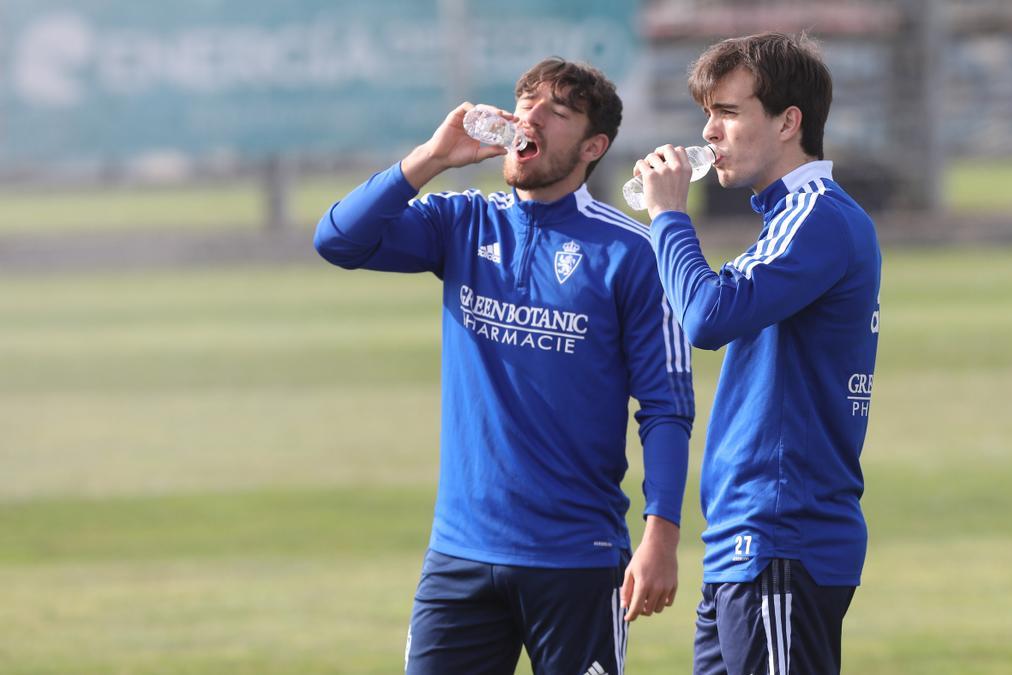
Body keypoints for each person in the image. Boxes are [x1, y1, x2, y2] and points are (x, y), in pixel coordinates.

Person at [314, 58, 694, 675]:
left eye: (557, 111)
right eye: (525, 101)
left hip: (577, 559)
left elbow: (667, 407)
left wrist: (663, 535)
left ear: (593, 146)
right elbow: (338, 241)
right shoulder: (463, 221)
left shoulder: (634, 253)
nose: (530, 116)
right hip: (459, 556)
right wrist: (430, 159)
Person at [635, 33, 881, 674]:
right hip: (749, 544)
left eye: (729, 112)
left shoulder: (818, 216)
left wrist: (667, 217)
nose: (710, 132)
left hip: (781, 536)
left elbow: (708, 316)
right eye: (707, 114)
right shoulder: (786, 223)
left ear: (788, 122)